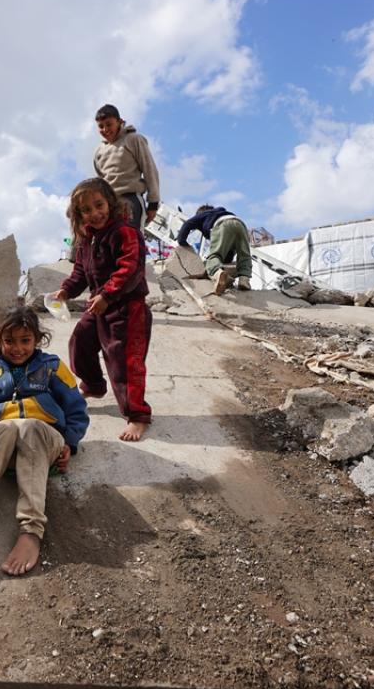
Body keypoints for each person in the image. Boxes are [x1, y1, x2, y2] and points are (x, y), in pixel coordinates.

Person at [0, 304, 89, 576]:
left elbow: (76, 409)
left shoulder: (52, 366)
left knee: (30, 426)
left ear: (37, 339)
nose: (18, 348)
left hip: (45, 443)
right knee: (9, 427)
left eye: (25, 340)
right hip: (5, 448)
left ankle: (31, 530)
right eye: (9, 341)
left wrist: (69, 443)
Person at [50, 178, 153, 442]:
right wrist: (66, 290)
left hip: (127, 308)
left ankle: (137, 415)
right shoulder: (87, 239)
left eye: (99, 205)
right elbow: (80, 272)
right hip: (99, 306)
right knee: (80, 342)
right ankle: (94, 385)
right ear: (78, 215)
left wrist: (107, 294)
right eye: (86, 210)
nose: (95, 213)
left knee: (124, 362)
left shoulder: (125, 232)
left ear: (110, 202)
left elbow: (130, 268)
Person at [92, 104, 161, 233]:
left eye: (109, 124)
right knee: (109, 241)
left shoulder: (133, 140)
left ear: (119, 122)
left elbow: (149, 170)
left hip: (130, 200)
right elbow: (100, 180)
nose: (105, 129)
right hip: (109, 204)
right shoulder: (99, 152)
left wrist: (153, 203)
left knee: (131, 238)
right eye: (101, 126)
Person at [176, 205, 253, 294]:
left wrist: (182, 241)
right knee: (244, 255)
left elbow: (187, 224)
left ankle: (218, 274)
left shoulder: (203, 215)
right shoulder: (222, 212)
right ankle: (244, 280)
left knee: (214, 256)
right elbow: (228, 253)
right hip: (240, 225)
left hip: (222, 225)